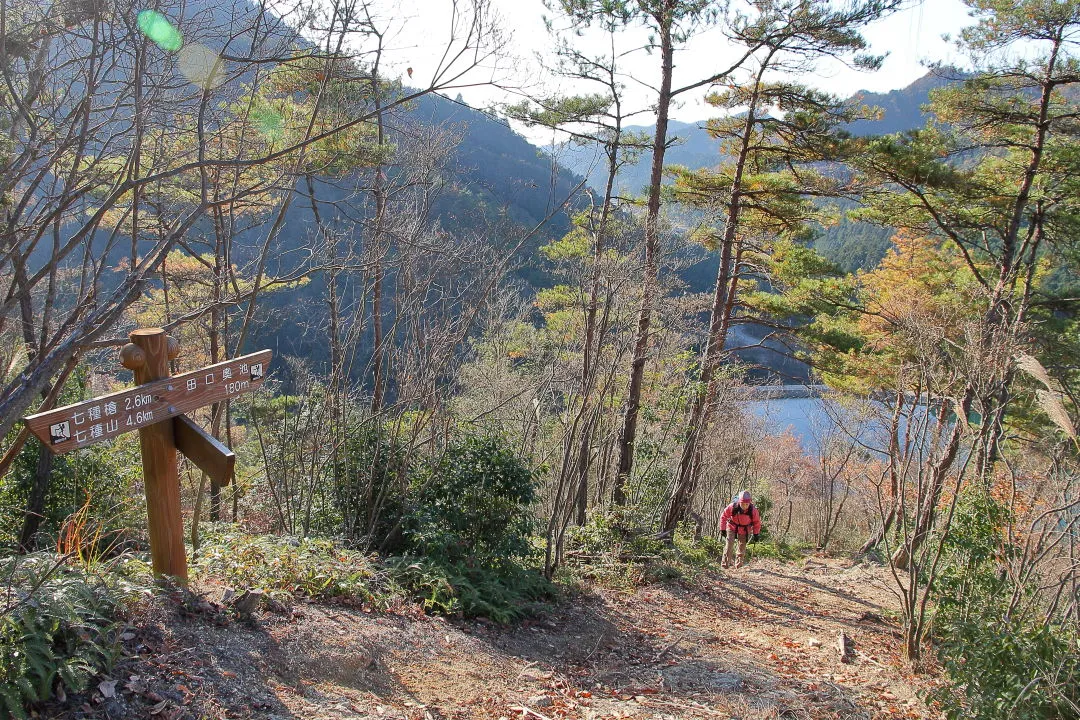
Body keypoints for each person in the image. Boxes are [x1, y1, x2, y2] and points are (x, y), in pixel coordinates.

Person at [720, 490, 761, 568]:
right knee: (729, 545)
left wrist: (756, 534)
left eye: (747, 504)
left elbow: (757, 523)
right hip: (732, 527)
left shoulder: (753, 510)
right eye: (743, 504)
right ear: (739, 502)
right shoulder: (732, 506)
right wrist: (722, 529)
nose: (745, 506)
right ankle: (724, 565)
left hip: (745, 529)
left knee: (741, 547)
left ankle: (738, 566)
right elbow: (723, 516)